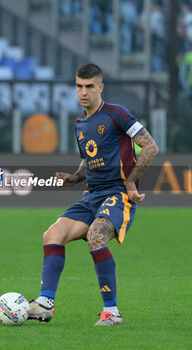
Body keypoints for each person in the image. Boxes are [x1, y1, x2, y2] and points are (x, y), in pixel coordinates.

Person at [28, 64, 159, 326]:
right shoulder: (79, 124)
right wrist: (75, 177)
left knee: (97, 237)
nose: (83, 92)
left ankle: (112, 312)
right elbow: (88, 160)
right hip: (91, 196)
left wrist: (131, 181)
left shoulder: (116, 114)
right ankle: (44, 304)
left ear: (100, 87)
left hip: (118, 194)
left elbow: (150, 147)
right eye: (79, 86)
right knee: (51, 235)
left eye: (89, 86)